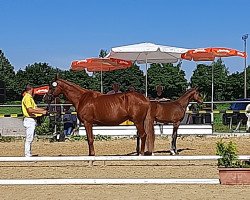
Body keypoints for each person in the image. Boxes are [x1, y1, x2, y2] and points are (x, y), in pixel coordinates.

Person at [21, 84, 47, 157]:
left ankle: (28, 153)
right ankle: (27, 154)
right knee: (29, 138)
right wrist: (42, 112)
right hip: (29, 119)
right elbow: (30, 110)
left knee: (30, 137)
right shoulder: (27, 98)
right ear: (31, 89)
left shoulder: (30, 98)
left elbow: (35, 108)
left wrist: (45, 110)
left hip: (31, 120)